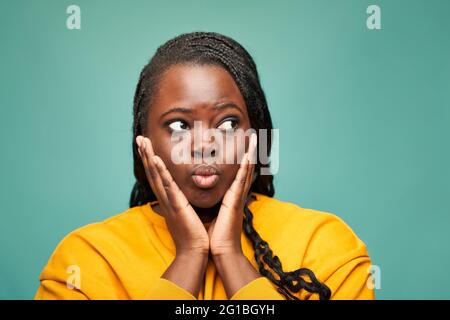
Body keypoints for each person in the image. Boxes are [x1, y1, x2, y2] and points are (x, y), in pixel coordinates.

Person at [35, 32, 375, 300]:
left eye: (227, 124)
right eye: (179, 126)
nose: (204, 145)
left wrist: (230, 255)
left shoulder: (326, 246)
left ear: (256, 136)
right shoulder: (85, 260)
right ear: (143, 142)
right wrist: (189, 256)